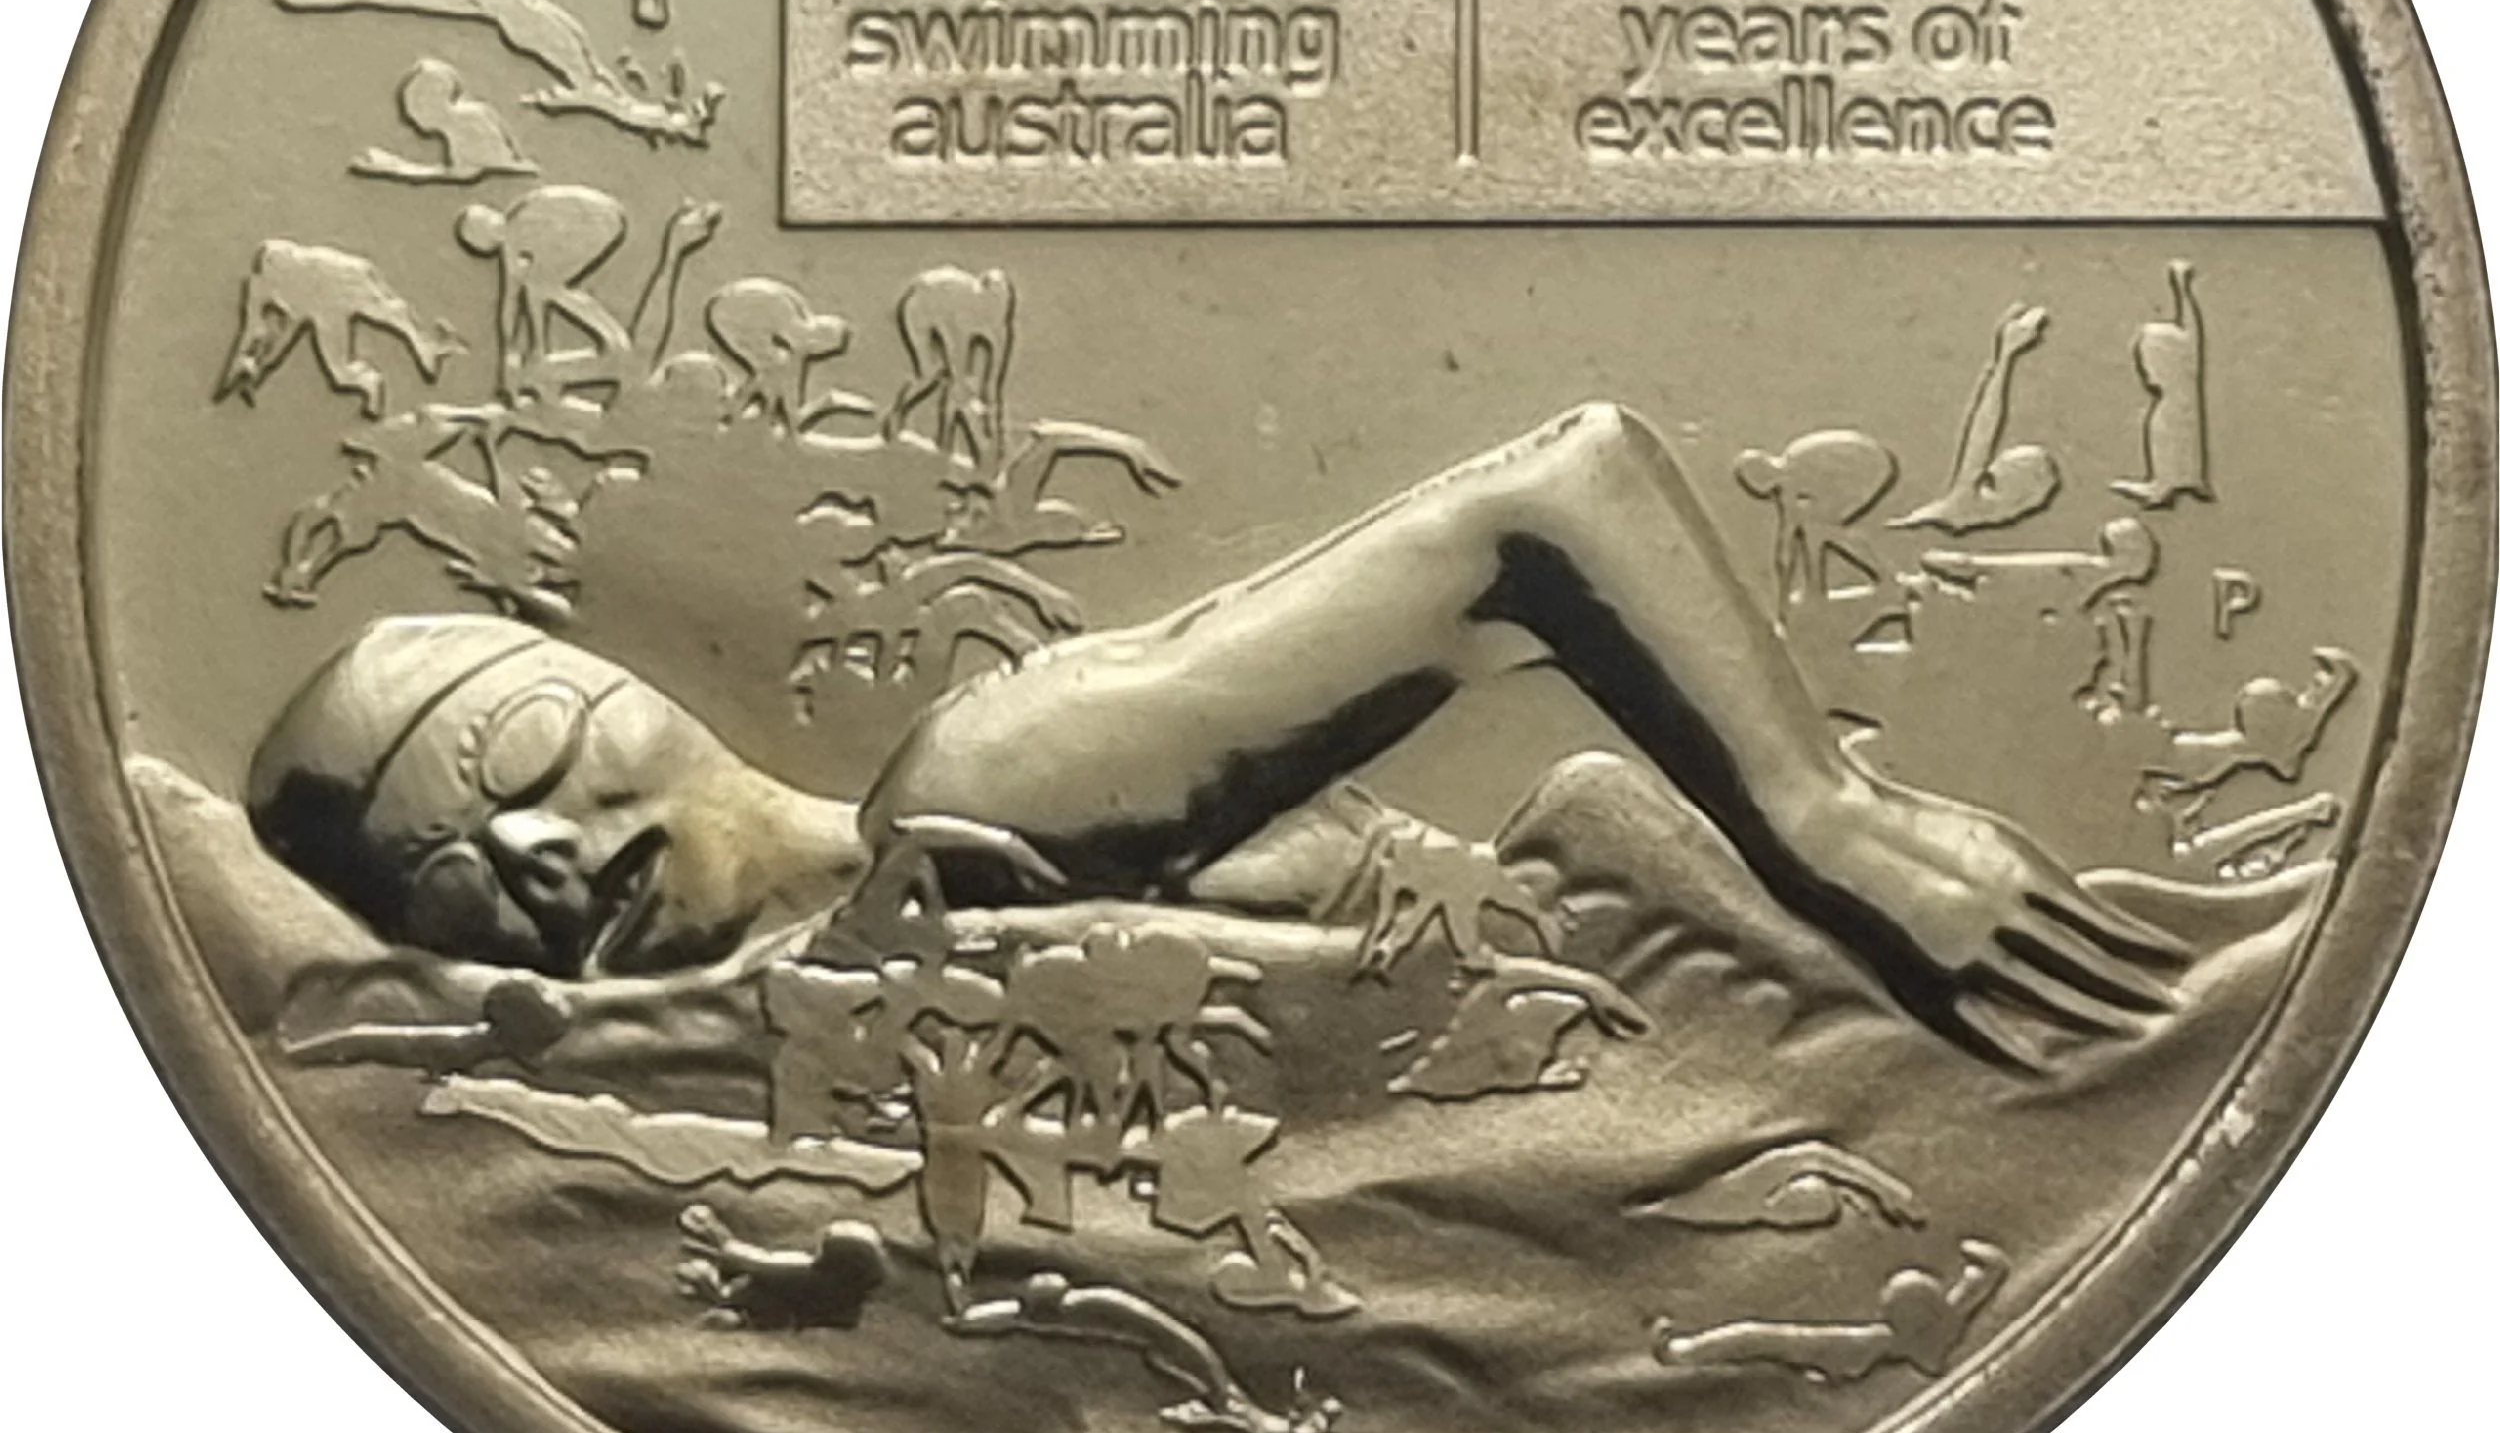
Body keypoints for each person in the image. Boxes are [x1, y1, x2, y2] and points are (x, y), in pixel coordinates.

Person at [249, 404, 2181, 1065]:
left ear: (620, 686)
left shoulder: (979, 799)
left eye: (521, 756)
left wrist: (1830, 823)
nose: (533, 857)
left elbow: (1554, 500)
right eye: (446, 876)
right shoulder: (798, 1005)